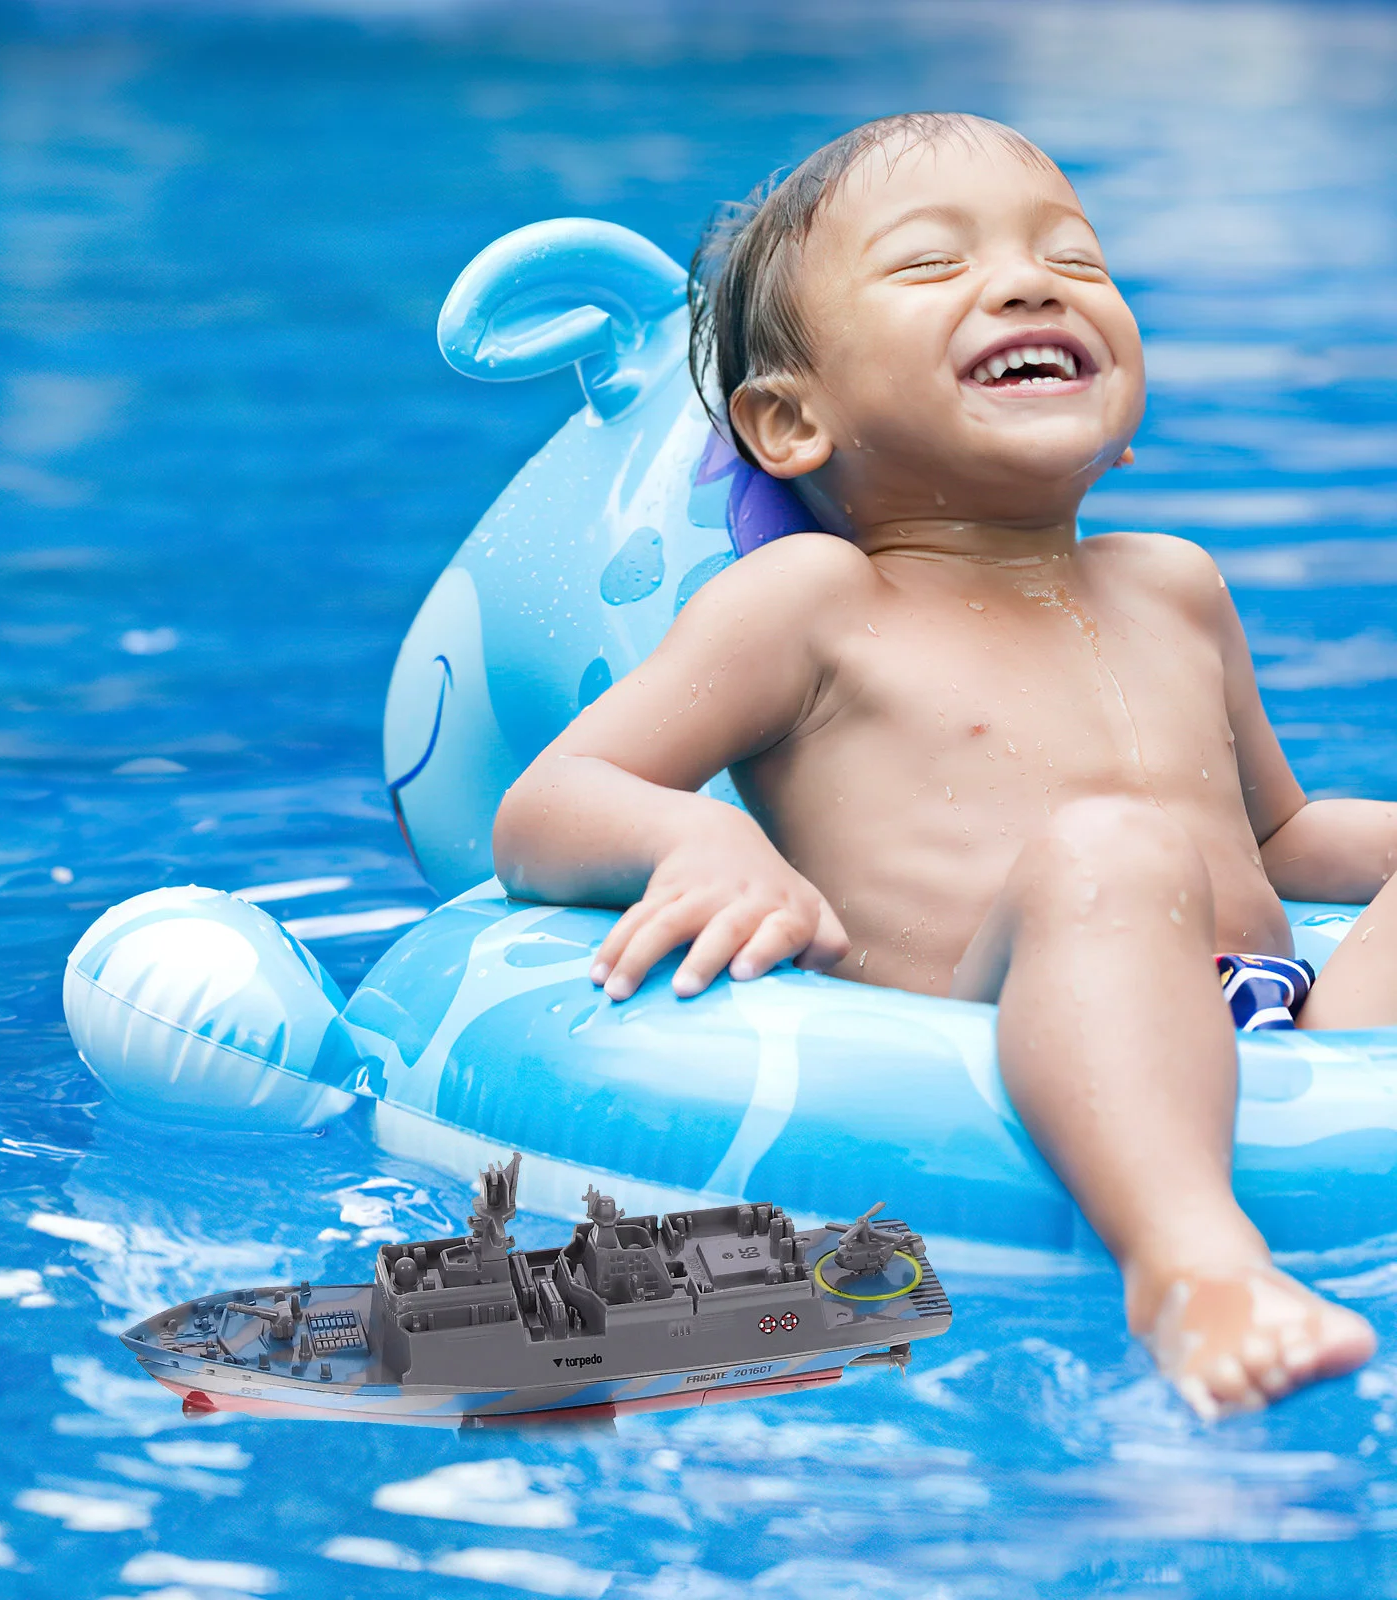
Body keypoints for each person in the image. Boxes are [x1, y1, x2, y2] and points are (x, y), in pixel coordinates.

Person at [491, 112, 1386, 1419]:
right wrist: (708, 841)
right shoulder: (812, 601)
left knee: (1149, 845)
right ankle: (1189, 1270)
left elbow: (1282, 843)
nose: (1030, 284)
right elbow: (543, 809)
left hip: (1283, 1024)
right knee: (1115, 847)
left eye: (1074, 262)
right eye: (929, 266)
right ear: (791, 421)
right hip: (988, 1025)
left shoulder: (1175, 586)